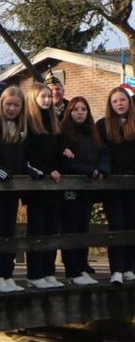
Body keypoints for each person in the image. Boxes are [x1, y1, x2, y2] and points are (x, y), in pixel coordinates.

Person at [60, 95, 108, 285]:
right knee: (71, 228)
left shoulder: (93, 132)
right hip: (72, 188)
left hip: (88, 187)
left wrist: (103, 169)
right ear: (70, 112)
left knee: (83, 228)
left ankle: (82, 267)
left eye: (83, 109)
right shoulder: (65, 133)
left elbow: (103, 152)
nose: (80, 112)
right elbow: (66, 161)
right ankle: (72, 271)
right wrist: (89, 170)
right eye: (76, 109)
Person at [23, 83, 65, 289]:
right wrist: (48, 170)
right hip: (38, 183)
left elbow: (55, 148)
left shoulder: (52, 122)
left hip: (54, 184)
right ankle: (35, 273)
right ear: (34, 98)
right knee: (37, 229)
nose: (48, 100)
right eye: (43, 97)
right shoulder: (30, 122)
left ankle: (49, 271)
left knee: (51, 228)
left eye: (49, 96)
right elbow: (31, 154)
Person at [0, 86, 27, 293]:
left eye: (16, 105)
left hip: (13, 188)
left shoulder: (19, 129)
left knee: (9, 232)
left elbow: (22, 157)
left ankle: (7, 273)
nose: (11, 109)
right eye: (8, 104)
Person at [96, 86, 135, 284]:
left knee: (130, 223)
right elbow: (101, 153)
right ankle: (116, 269)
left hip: (132, 185)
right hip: (113, 184)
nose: (119, 104)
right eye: (115, 101)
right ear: (110, 105)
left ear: (129, 102)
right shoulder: (103, 126)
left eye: (122, 100)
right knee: (117, 224)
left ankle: (129, 266)